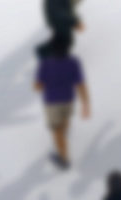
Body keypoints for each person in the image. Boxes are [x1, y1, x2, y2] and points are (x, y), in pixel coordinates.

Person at [35, 39, 90, 170]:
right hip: (69, 100)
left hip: (52, 102)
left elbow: (38, 87)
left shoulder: (45, 64)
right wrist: (85, 104)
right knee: (64, 123)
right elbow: (80, 84)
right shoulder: (74, 62)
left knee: (56, 131)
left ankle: (63, 159)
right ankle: (64, 138)